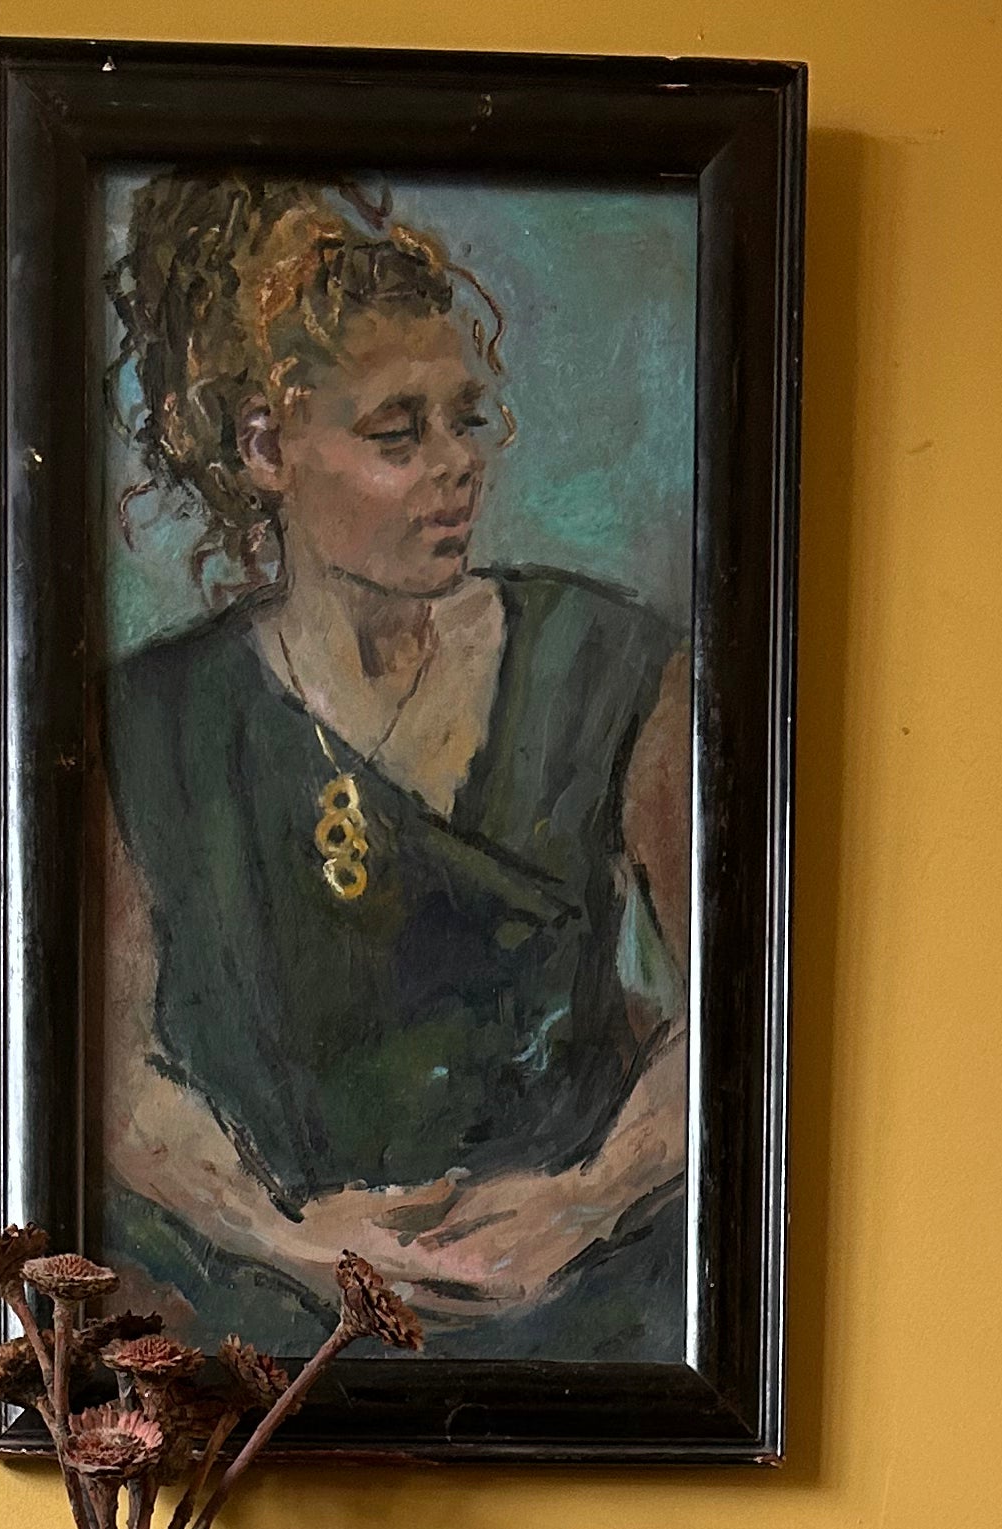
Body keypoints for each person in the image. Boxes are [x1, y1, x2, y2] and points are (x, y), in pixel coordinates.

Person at [98, 174, 691, 1363]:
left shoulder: (609, 669)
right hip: (273, 1328)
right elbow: (113, 1073)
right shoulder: (154, 724)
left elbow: (746, 1016)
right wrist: (284, 1237)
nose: (457, 465)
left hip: (586, 1307)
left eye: (467, 419)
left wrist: (585, 1200)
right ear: (268, 447)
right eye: (396, 433)